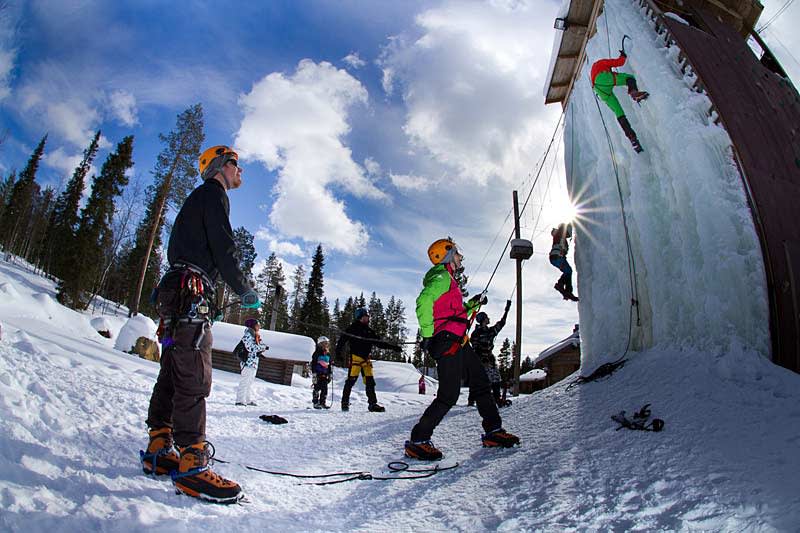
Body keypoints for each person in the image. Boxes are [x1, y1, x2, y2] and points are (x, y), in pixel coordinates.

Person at [141, 145, 261, 504]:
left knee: (173, 369)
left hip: (180, 294)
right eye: (236, 164)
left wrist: (208, 300)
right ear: (221, 167)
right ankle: (192, 462)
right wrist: (244, 289)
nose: (241, 171)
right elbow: (224, 248)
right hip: (188, 294)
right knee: (194, 372)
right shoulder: (213, 193)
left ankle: (160, 445)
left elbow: (198, 251)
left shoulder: (198, 200)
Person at [405, 238, 520, 460]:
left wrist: (472, 304)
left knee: (481, 384)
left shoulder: (449, 280)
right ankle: (418, 440)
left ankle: (493, 431)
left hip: (460, 340)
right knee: (449, 395)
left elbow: (454, 314)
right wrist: (428, 334)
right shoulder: (440, 277)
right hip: (447, 341)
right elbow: (423, 302)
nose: (460, 257)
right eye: (457, 253)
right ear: (447, 255)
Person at [335, 307, 402, 412]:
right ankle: (344, 403)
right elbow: (341, 341)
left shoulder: (369, 331)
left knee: (370, 382)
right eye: (366, 316)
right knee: (351, 381)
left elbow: (379, 343)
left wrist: (393, 347)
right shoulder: (352, 329)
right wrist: (338, 353)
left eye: (367, 316)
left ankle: (372, 404)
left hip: (366, 360)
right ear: (360, 317)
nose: (368, 318)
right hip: (356, 359)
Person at [591, 50, 649, 153]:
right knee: (629, 78)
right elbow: (619, 62)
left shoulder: (596, 69)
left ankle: (632, 139)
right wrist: (623, 55)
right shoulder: (601, 63)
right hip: (603, 79)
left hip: (599, 91)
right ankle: (634, 93)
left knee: (619, 113)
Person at [468, 300, 511, 407]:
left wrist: (507, 310)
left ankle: (497, 400)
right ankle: (472, 400)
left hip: (490, 359)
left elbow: (501, 323)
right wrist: (482, 360)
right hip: (480, 361)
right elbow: (475, 349)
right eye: (486, 317)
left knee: (496, 378)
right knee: (480, 381)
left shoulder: (490, 331)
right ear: (483, 320)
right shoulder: (476, 334)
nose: (488, 319)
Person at [236, 318, 268, 407]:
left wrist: (263, 347)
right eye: (257, 324)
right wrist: (262, 348)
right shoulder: (247, 335)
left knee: (249, 383)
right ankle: (239, 400)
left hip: (253, 363)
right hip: (247, 363)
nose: (259, 326)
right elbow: (250, 348)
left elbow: (260, 345)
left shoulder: (255, 336)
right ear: (252, 326)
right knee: (244, 381)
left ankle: (247, 399)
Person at [550, 223, 579, 302]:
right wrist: (572, 223)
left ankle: (566, 291)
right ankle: (561, 286)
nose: (569, 235)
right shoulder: (559, 233)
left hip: (556, 257)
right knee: (568, 271)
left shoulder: (560, 236)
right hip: (557, 257)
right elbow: (562, 228)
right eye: (568, 233)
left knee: (568, 271)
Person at [311, 336, 333, 409]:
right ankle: (315, 403)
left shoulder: (328, 354)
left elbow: (329, 365)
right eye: (323, 343)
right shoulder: (316, 353)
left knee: (325, 389)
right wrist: (314, 373)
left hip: (325, 374)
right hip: (317, 374)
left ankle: (322, 403)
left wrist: (330, 373)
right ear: (320, 344)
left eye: (326, 343)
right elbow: (313, 364)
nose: (325, 345)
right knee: (317, 388)